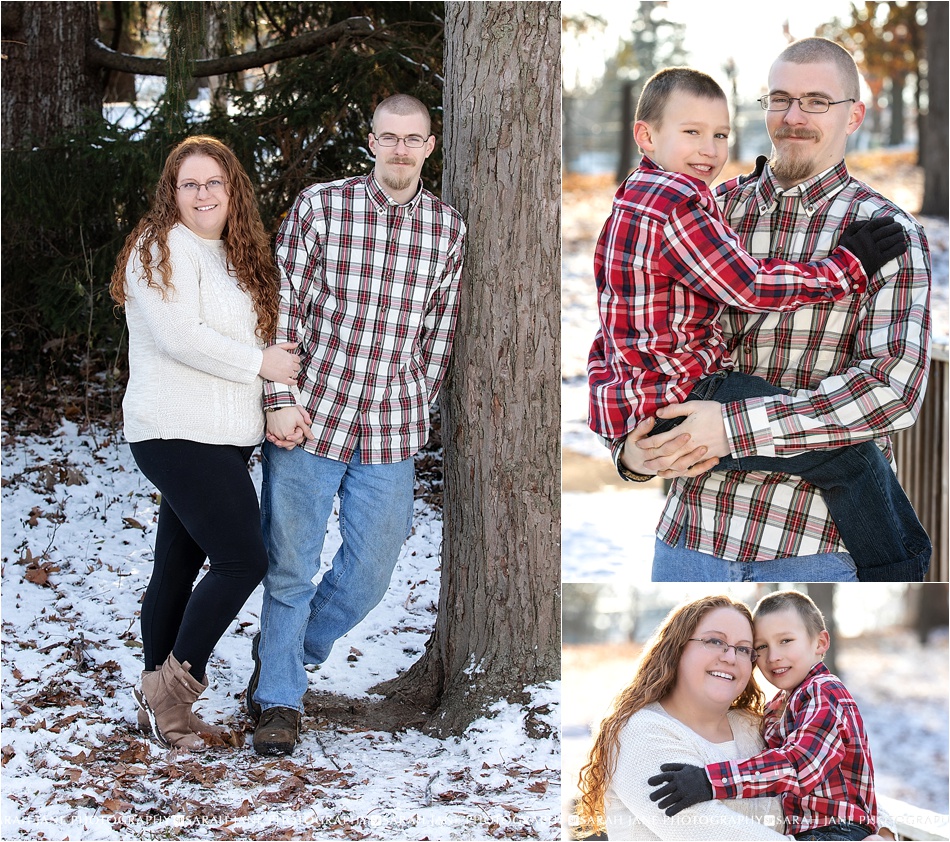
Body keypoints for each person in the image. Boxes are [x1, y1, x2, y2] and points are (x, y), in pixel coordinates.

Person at [586, 66, 924, 581]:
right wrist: (630, 451)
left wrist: (730, 430)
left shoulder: (884, 232)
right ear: (646, 135)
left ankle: (902, 575)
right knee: (854, 466)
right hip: (690, 539)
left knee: (856, 465)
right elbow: (618, 328)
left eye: (816, 101)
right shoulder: (707, 208)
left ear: (854, 114)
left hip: (812, 546)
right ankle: (905, 566)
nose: (793, 115)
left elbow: (893, 391)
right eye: (781, 98)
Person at [245, 94, 466, 756]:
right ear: (371, 140)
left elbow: (438, 329)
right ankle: (279, 699)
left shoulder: (447, 229)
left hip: (392, 429)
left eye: (414, 139)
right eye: (390, 137)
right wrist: (279, 397)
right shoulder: (322, 207)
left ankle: (287, 648)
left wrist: (419, 398)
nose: (401, 149)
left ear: (430, 146)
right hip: (311, 419)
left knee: (372, 571)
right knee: (290, 568)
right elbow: (284, 309)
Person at [110, 136, 302, 750]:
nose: (202, 194)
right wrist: (261, 364)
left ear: (232, 190)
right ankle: (175, 689)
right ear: (172, 191)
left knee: (177, 565)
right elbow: (180, 338)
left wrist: (269, 394)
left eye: (213, 182)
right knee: (244, 559)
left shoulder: (233, 254)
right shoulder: (159, 247)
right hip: (173, 433)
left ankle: (155, 702)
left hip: (219, 439)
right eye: (189, 183)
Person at [649, 591, 880, 841]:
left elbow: (799, 765)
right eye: (761, 647)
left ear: (820, 643)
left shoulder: (824, 691)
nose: (773, 657)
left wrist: (709, 781)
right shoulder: (778, 706)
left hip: (837, 830)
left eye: (786, 641)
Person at [575, 595, 789, 840]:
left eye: (743, 649)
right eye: (715, 641)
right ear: (677, 649)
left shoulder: (758, 728)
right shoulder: (640, 731)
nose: (730, 657)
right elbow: (703, 830)